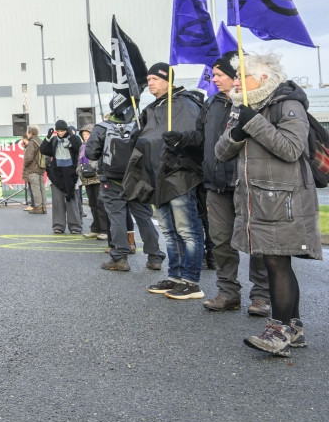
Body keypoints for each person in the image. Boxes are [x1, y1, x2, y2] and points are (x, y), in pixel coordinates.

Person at [214, 52, 321, 356]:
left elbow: (290, 149)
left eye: (241, 76)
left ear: (262, 77)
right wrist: (238, 131)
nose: (236, 81)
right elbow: (221, 152)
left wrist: (254, 122)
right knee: (277, 261)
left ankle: (278, 330)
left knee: (276, 261)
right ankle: (293, 329)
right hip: (258, 199)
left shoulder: (288, 104)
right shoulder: (242, 107)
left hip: (284, 199)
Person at [171, 52, 270, 314]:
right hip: (215, 185)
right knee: (221, 241)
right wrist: (181, 138)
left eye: (219, 75)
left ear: (235, 75)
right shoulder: (212, 103)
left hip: (247, 184)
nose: (213, 79)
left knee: (256, 241)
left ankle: (261, 296)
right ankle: (228, 292)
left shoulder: (253, 102)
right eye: (213, 75)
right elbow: (201, 137)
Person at [131, 63, 206, 301]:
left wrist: (179, 142)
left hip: (179, 175)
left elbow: (196, 138)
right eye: (148, 79)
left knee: (187, 230)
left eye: (154, 78)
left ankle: (191, 281)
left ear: (168, 80)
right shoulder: (153, 108)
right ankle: (175, 276)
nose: (150, 83)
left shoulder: (184, 104)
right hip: (157, 176)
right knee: (169, 231)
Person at [86, 94, 158, 271]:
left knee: (116, 217)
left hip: (111, 179)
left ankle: (120, 257)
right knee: (144, 217)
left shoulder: (102, 127)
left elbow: (91, 153)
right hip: (138, 179)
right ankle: (155, 256)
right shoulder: (141, 124)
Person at [40, 120, 82, 234]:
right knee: (57, 202)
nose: (60, 133)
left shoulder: (73, 139)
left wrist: (72, 135)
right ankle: (58, 226)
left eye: (62, 130)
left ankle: (75, 226)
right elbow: (43, 150)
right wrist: (48, 137)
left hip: (71, 174)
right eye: (58, 131)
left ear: (66, 129)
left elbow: (79, 148)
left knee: (72, 201)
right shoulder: (54, 140)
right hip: (57, 174)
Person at [78, 127, 106, 238]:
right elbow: (79, 161)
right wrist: (79, 171)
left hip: (97, 178)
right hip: (87, 178)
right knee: (93, 204)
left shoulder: (98, 145)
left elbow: (101, 160)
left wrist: (93, 167)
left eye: (87, 134)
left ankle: (104, 230)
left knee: (101, 204)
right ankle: (95, 229)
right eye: (83, 134)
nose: (85, 136)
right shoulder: (82, 147)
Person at [22, 126, 45, 214]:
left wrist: (25, 164)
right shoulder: (40, 141)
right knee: (41, 188)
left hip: (33, 169)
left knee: (35, 189)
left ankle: (38, 208)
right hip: (41, 168)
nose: (27, 134)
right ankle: (43, 207)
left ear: (31, 133)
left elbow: (29, 157)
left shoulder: (32, 143)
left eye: (27, 132)